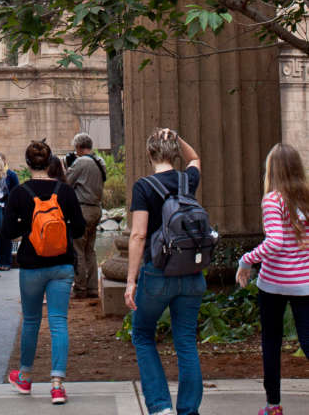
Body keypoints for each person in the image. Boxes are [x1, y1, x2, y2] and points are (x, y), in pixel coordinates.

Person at [126, 128, 205, 415]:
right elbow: (195, 157)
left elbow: (138, 236)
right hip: (191, 273)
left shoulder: (144, 187)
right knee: (185, 340)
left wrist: (131, 281)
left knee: (143, 334)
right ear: (174, 152)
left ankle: (160, 406)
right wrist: (178, 136)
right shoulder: (188, 180)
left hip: (158, 273)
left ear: (150, 154)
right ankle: (188, 410)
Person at [4, 139, 85, 405]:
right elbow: (80, 228)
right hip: (62, 264)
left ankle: (25, 377)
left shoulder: (19, 193)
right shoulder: (65, 191)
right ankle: (57, 384)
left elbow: (7, 233)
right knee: (59, 322)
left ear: (28, 163)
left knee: (30, 321)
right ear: (50, 161)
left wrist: (27, 228)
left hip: (31, 264)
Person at [236, 143, 309, 415]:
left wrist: (247, 259)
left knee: (271, 343)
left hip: (274, 284)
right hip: (304, 284)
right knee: (307, 340)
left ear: (272, 170)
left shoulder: (272, 200)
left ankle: (273, 406)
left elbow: (275, 242)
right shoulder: (306, 198)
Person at [66, 133, 106, 299]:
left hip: (82, 209)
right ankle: (92, 288)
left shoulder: (81, 162)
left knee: (78, 249)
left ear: (78, 147)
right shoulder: (99, 161)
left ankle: (80, 288)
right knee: (90, 250)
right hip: (96, 209)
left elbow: (67, 182)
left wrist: (68, 166)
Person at [0, 152, 20, 271]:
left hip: (8, 209)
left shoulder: (11, 175)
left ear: (4, 160)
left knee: (6, 236)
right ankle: (0, 261)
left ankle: (6, 262)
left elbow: (17, 192)